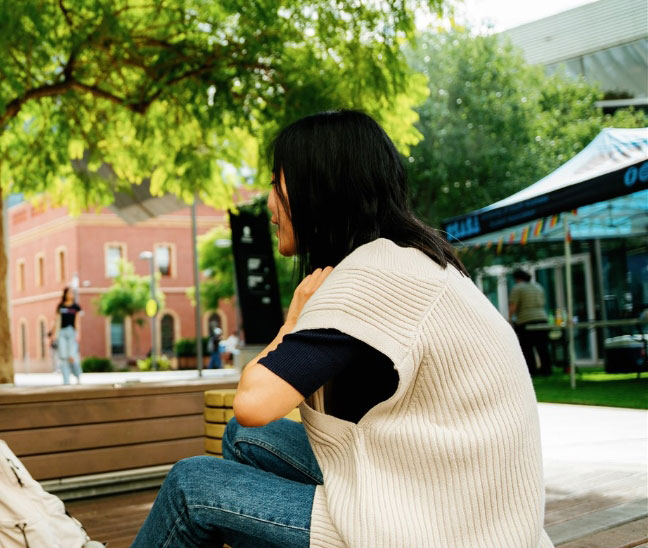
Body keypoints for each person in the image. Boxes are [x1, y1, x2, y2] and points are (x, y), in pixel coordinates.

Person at [133, 110, 551, 548]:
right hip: (464, 502)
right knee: (247, 440)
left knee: (191, 486)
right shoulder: (411, 259)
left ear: (320, 189)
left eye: (278, 184)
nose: (270, 203)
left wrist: (292, 322)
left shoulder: (371, 277)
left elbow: (253, 401)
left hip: (437, 527)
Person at [510, 269, 553, 376]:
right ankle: (546, 370)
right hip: (542, 319)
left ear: (517, 278)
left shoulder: (517, 288)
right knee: (542, 347)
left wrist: (509, 319)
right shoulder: (538, 287)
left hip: (526, 320)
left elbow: (513, 306)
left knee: (527, 348)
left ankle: (532, 370)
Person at [53, 288, 83, 385]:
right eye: (69, 293)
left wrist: (78, 334)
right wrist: (55, 334)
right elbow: (57, 321)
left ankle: (77, 375)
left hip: (72, 332)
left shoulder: (76, 307)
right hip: (62, 332)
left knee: (72, 356)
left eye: (72, 293)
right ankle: (66, 381)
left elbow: (77, 322)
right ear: (65, 294)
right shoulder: (60, 307)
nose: (71, 294)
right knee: (63, 357)